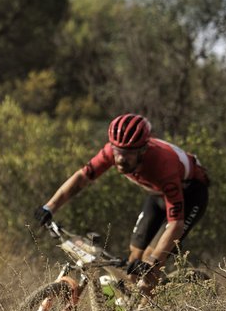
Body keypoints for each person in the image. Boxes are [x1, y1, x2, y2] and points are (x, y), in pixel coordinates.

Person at [34, 113, 210, 295]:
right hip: (157, 194)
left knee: (150, 262)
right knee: (134, 258)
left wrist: (152, 261)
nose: (119, 159)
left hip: (191, 195)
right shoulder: (113, 151)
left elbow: (176, 224)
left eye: (127, 154)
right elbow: (82, 177)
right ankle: (129, 307)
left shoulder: (163, 165)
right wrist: (49, 207)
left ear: (142, 151)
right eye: (117, 151)